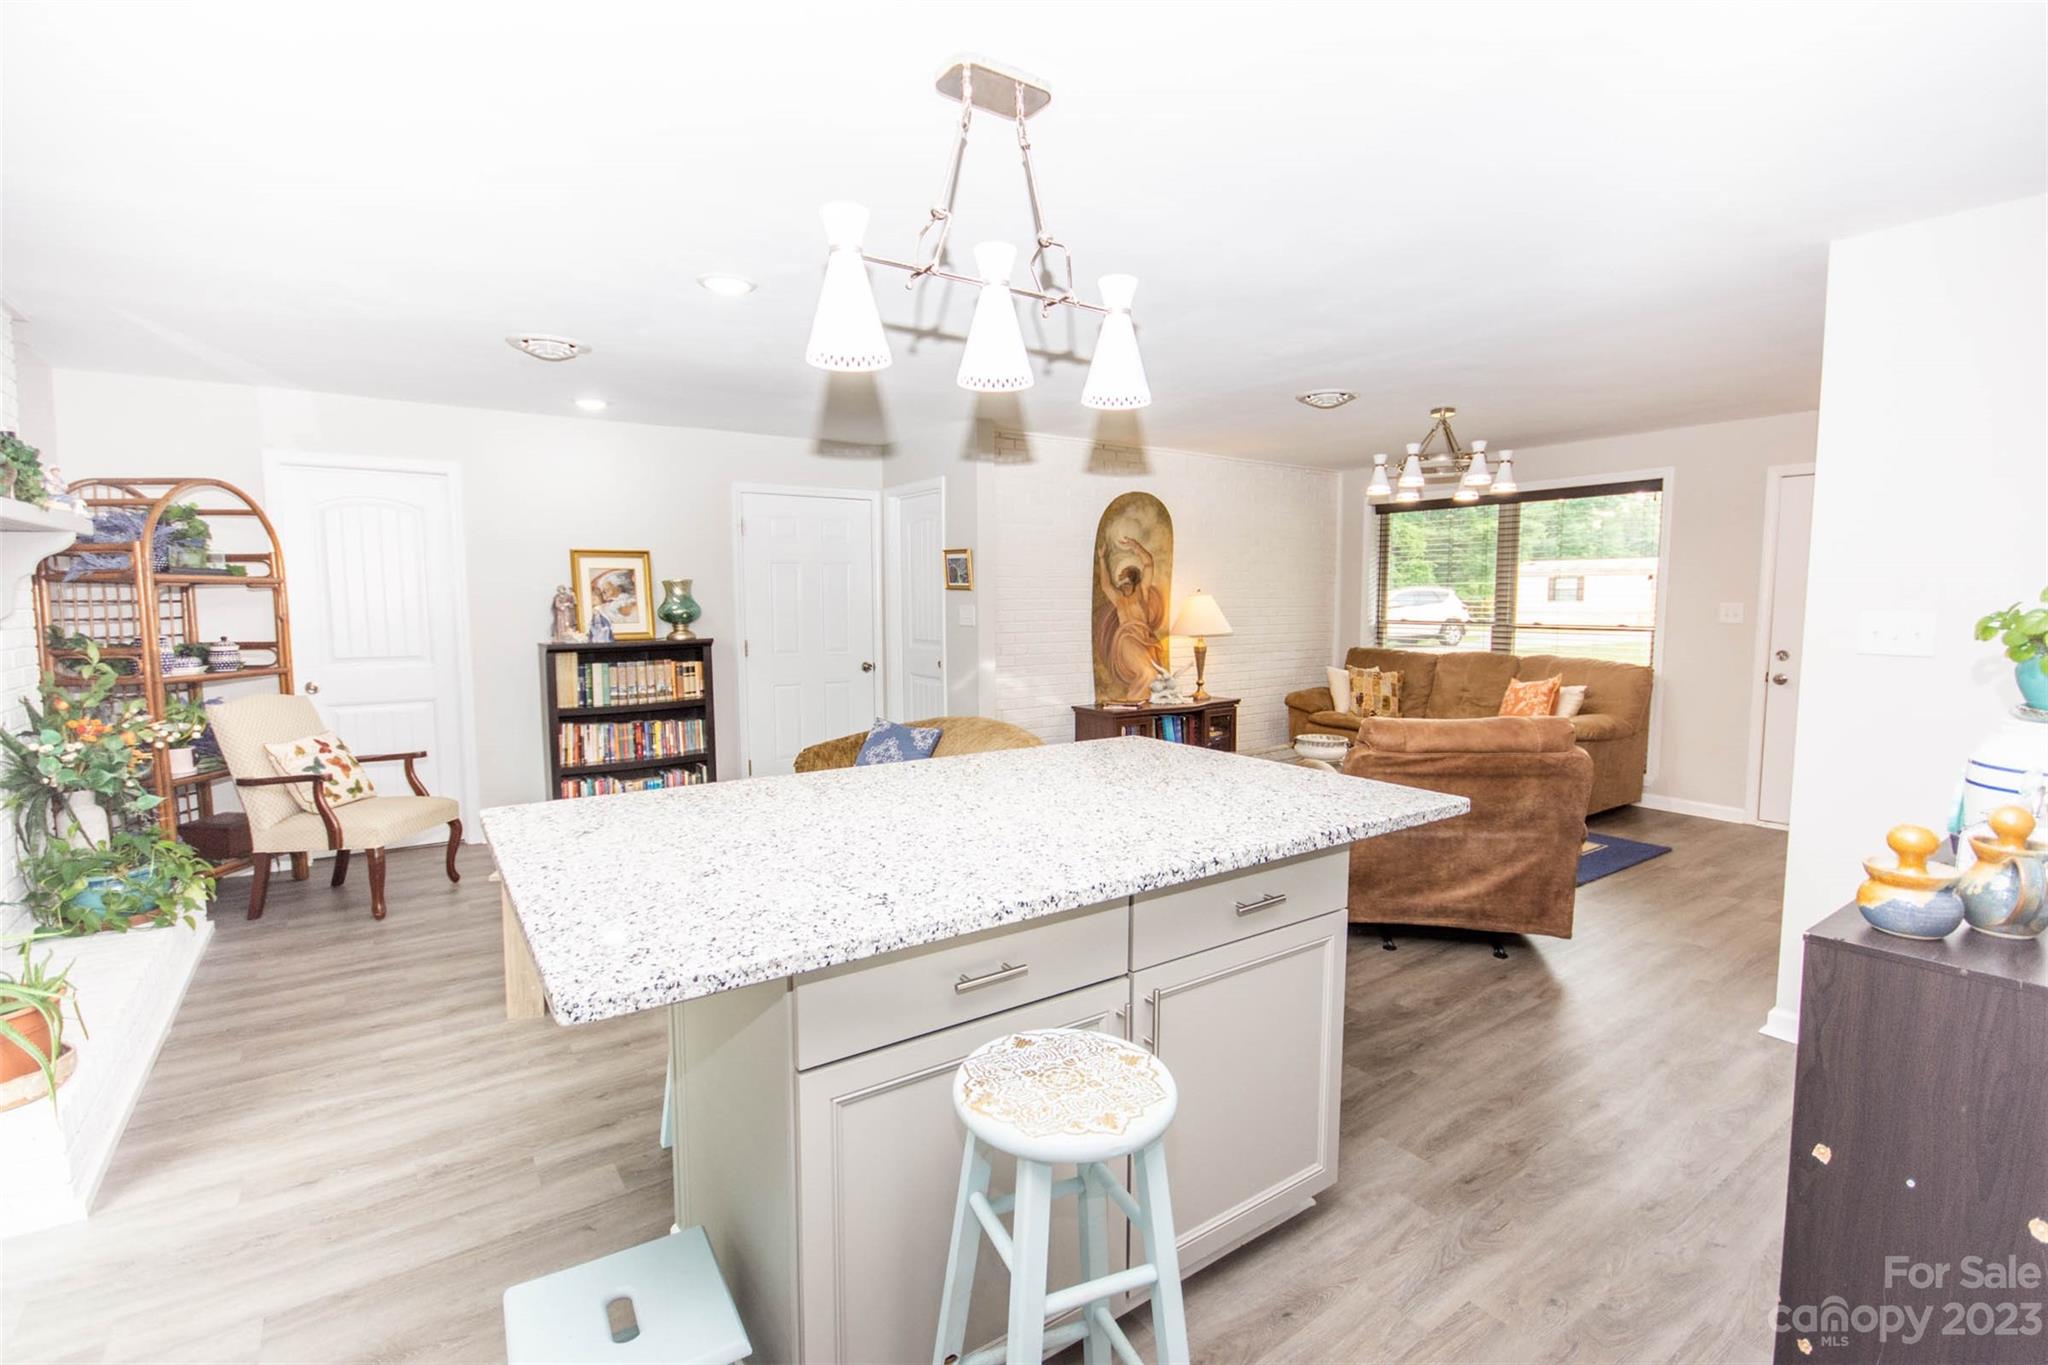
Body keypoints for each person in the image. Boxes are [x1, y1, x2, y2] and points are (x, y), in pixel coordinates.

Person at [1094, 534, 1166, 702]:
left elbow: (1148, 563)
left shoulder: (1142, 592)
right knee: (1147, 672)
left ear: (1133, 580)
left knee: (1155, 675)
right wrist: (1102, 559)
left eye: (1125, 580)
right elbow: (1106, 585)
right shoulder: (1119, 598)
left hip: (1143, 639)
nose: (1122, 585)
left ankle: (1138, 704)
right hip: (1126, 639)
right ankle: (1134, 704)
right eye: (1121, 581)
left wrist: (1136, 546)